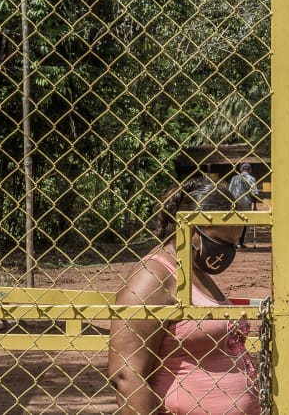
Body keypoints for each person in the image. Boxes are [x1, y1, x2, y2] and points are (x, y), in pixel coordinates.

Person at [108, 177, 260, 415]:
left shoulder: (194, 269)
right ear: (188, 227)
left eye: (233, 243)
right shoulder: (153, 275)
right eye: (220, 241)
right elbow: (126, 375)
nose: (226, 252)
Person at [228, 163, 260, 248]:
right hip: (246, 202)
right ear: (250, 170)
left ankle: (234, 242)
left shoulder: (234, 178)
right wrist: (255, 205)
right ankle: (241, 242)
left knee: (235, 221)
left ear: (241, 170)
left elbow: (230, 191)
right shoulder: (251, 178)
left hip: (235, 201)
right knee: (244, 221)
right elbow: (254, 193)